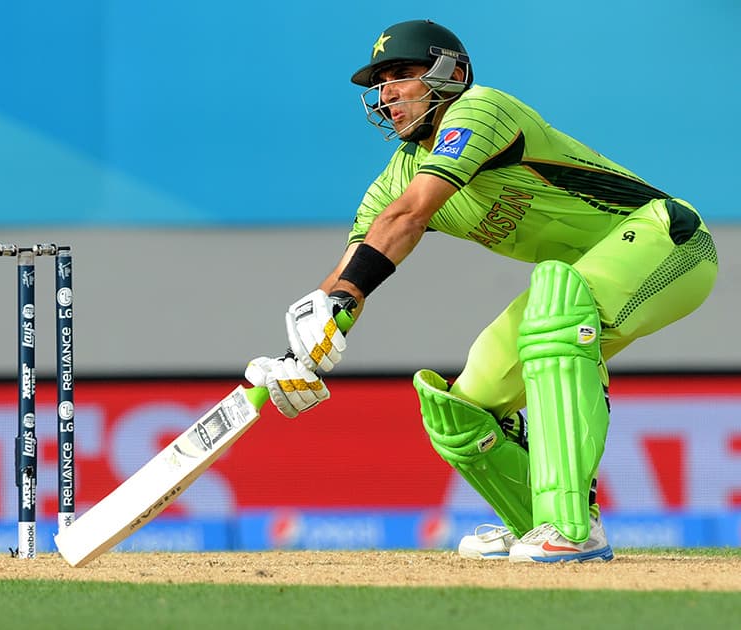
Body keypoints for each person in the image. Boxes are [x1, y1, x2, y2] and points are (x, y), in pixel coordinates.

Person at [244, 19, 718, 563]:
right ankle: (538, 525)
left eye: (402, 74)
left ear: (453, 72)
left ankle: (571, 527)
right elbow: (354, 267)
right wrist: (298, 352)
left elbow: (409, 217)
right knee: (463, 409)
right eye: (379, 83)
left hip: (668, 239)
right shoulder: (397, 177)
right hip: (590, 272)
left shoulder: (481, 110)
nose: (386, 93)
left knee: (556, 300)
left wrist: (338, 299)